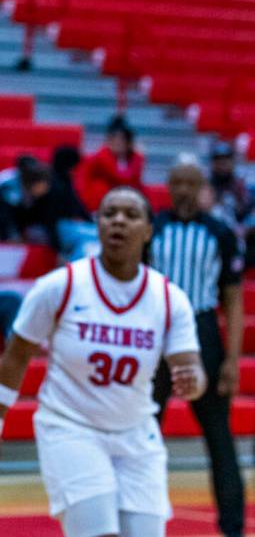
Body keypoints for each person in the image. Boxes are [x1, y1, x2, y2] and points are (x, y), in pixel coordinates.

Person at [0, 186, 205, 537]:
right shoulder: (61, 286)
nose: (118, 221)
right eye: (109, 213)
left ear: (147, 231)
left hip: (136, 434)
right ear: (97, 225)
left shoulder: (168, 297)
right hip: (71, 427)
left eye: (131, 215)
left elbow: (190, 365)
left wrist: (193, 379)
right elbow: (17, 356)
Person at [150, 158, 246, 537]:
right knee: (145, 433)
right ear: (170, 187)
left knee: (218, 435)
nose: (184, 190)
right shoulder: (152, 228)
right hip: (155, 332)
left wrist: (232, 360)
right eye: (177, 182)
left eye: (191, 182)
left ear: (203, 186)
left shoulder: (220, 233)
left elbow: (234, 299)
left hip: (203, 332)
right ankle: (144, 520)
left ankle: (233, 527)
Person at [0, 155, 94, 259]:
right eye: (42, 187)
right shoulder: (9, 188)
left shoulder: (42, 193)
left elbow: (49, 219)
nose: (45, 190)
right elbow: (4, 215)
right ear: (33, 184)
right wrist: (11, 235)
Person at [81, 115, 145, 212]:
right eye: (114, 138)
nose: (118, 143)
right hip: (99, 206)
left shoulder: (133, 161)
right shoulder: (96, 160)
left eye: (122, 139)